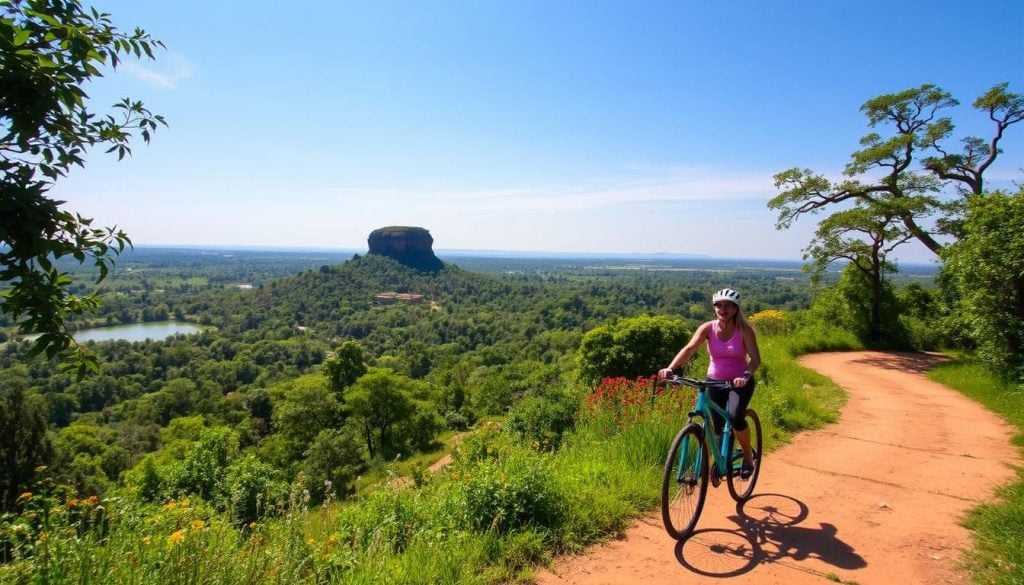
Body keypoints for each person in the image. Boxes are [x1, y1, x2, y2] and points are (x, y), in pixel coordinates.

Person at [658, 288, 761, 478]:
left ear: (736, 308)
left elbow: (755, 359)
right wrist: (671, 368)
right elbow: (689, 349)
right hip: (714, 381)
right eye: (719, 305)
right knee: (719, 425)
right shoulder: (708, 328)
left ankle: (748, 457)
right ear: (714, 308)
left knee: (735, 417)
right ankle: (722, 461)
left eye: (728, 305)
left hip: (739, 383)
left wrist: (746, 375)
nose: (723, 309)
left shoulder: (744, 330)